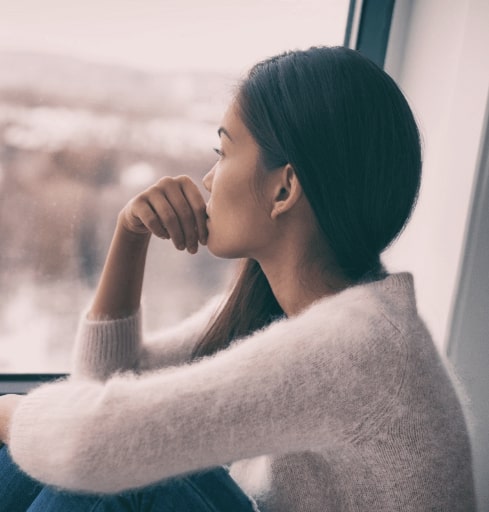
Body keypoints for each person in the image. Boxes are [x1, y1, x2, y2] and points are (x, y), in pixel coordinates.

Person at [0, 46, 476, 511]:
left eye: (223, 152)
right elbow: (104, 385)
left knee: (106, 465)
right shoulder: (283, 308)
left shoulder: (360, 346)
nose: (208, 178)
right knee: (72, 457)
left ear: (284, 188)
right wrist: (129, 237)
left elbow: (90, 445)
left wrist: (11, 412)